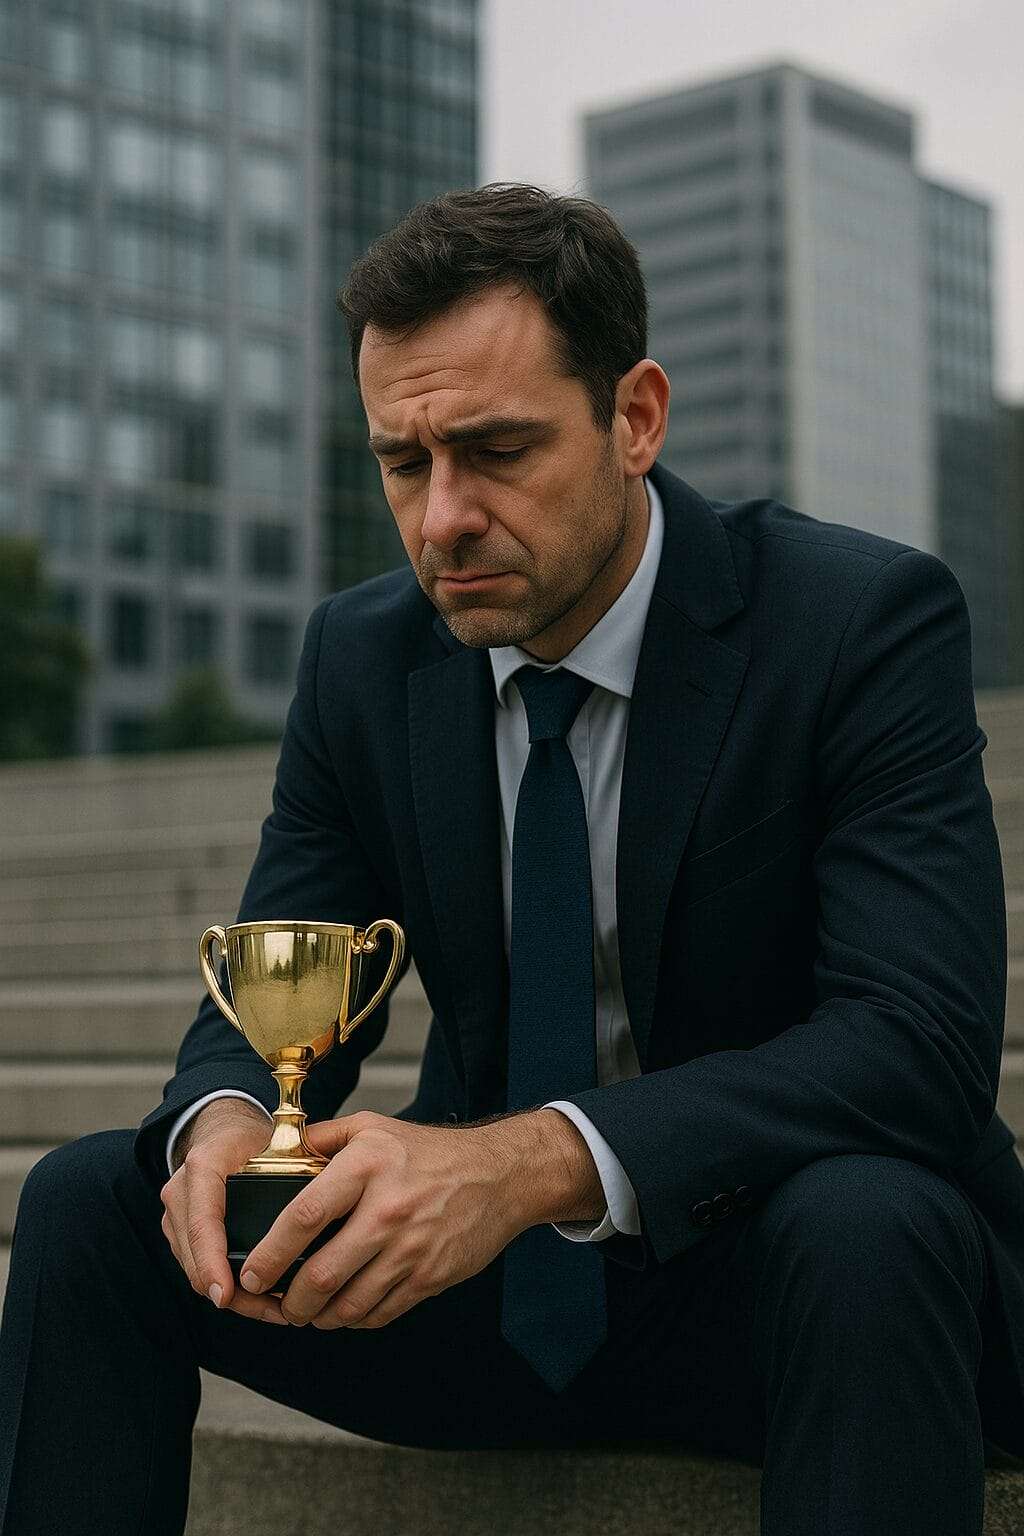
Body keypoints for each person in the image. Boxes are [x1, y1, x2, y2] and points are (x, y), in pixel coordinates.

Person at [1, 182, 1022, 1536]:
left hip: (797, 1292)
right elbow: (270, 978)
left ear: (634, 419)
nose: (441, 520)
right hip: (479, 1302)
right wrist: (232, 1122)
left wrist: (528, 1163)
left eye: (496, 451)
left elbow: (919, 1048)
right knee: (90, 1202)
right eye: (404, 462)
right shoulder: (362, 661)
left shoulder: (856, 622)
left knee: (868, 1225)